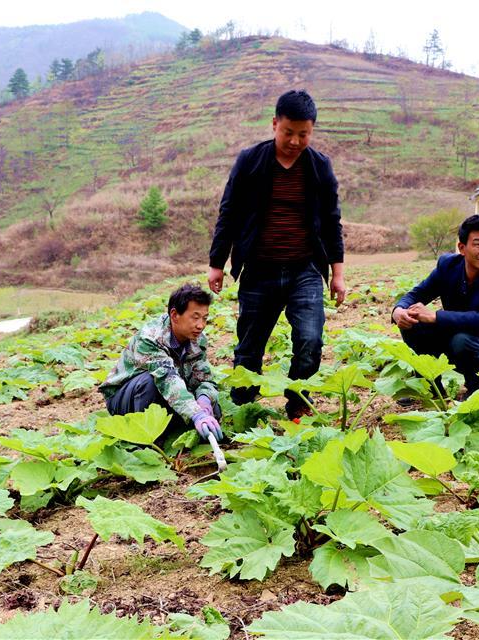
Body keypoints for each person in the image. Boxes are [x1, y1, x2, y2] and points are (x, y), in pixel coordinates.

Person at [207, 89, 345, 420]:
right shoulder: (250, 161)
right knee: (249, 346)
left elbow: (331, 221)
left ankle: (298, 404)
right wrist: (216, 264)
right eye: (288, 132)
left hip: (305, 269)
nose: (295, 141)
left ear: (311, 131)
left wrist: (337, 273)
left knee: (311, 339)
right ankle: (243, 407)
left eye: (303, 134)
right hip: (259, 268)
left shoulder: (320, 167)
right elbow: (229, 213)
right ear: (274, 124)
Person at [391, 214, 479, 396]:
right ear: (462, 248)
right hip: (458, 341)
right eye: (478, 244)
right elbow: (418, 293)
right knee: (412, 322)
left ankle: (478, 389)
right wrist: (399, 311)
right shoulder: (448, 266)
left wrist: (435, 316)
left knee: (462, 339)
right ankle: (430, 389)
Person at [99, 284, 222, 442]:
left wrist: (204, 400)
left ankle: (180, 430)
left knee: (212, 408)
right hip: (124, 399)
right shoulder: (150, 338)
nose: (201, 325)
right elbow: (167, 378)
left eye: (205, 318)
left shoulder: (197, 338)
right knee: (149, 382)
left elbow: (203, 378)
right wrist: (196, 413)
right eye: (195, 317)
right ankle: (145, 442)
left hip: (166, 393)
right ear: (175, 315)